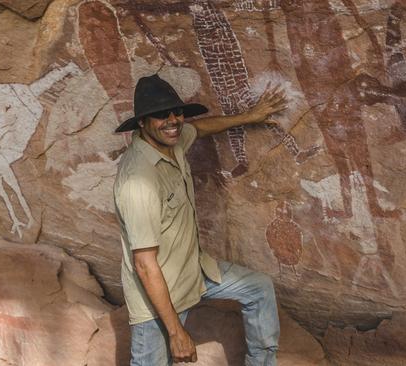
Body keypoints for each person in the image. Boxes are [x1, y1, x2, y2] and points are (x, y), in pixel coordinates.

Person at [113, 74, 286, 366]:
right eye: (160, 115)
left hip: (194, 270)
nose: (173, 121)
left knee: (258, 288)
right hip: (158, 297)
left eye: (176, 112)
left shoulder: (172, 141)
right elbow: (144, 265)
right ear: (141, 123)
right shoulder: (138, 182)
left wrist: (249, 116)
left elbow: (200, 128)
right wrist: (176, 332)